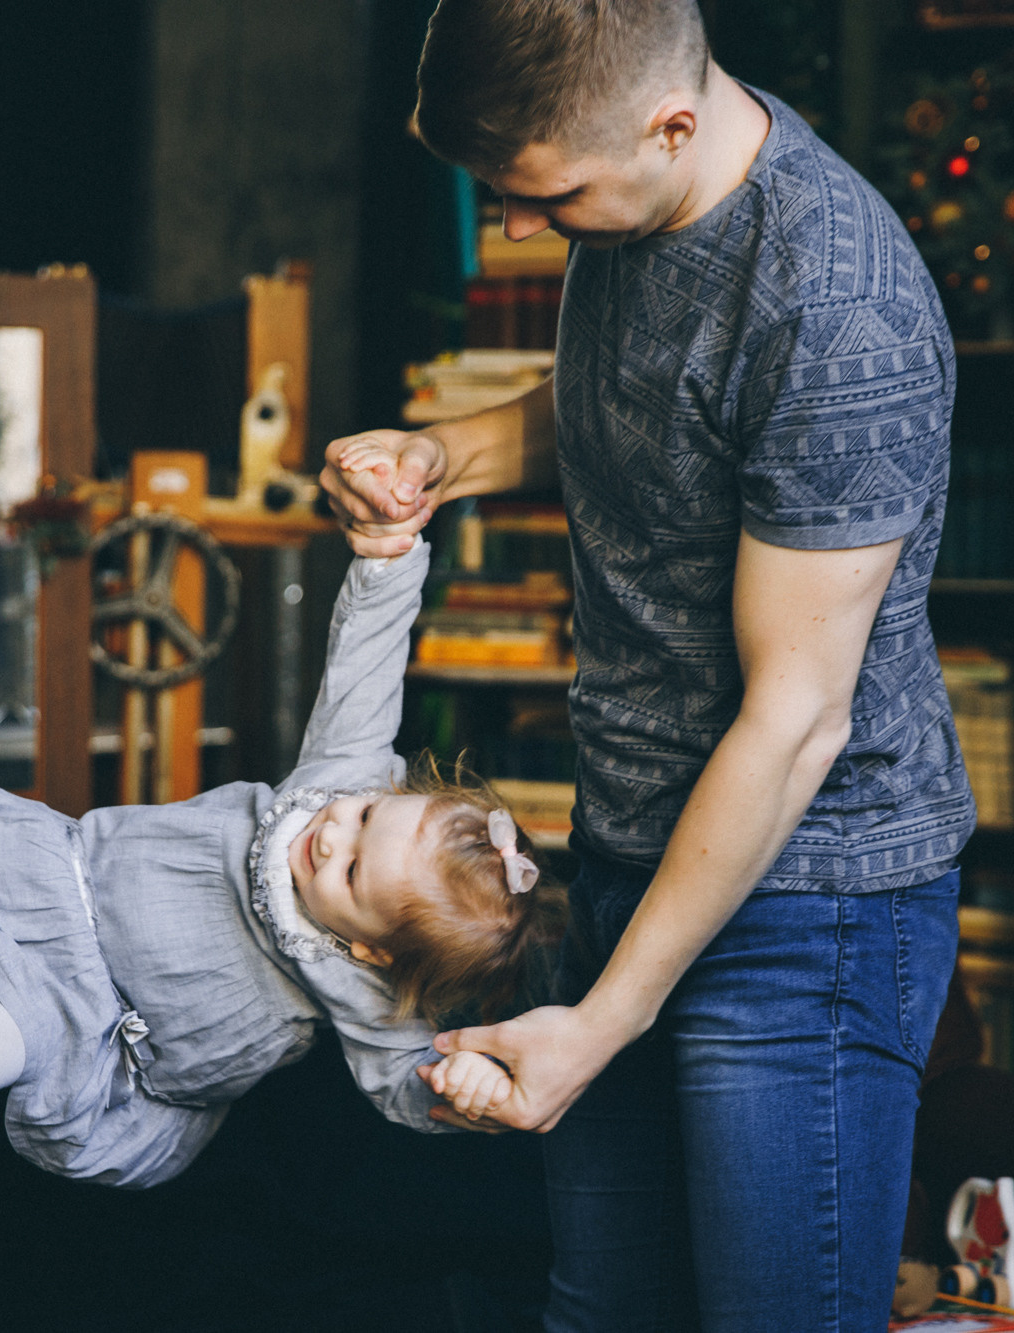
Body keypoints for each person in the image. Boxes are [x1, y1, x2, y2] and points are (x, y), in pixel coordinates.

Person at [320, 2, 969, 1330]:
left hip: (809, 898)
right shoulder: (638, 200)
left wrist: (600, 1020)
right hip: (631, 857)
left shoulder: (835, 305)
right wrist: (443, 456)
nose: (518, 228)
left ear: (670, 125)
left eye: (544, 195)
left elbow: (794, 720)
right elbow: (630, 407)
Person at [0, 526, 565, 1219]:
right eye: (365, 816)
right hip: (43, 873)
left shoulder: (365, 997)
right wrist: (392, 549)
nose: (333, 835)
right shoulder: (338, 783)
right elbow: (367, 663)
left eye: (355, 870)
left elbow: (406, 1081)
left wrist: (462, 1090)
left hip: (81, 1029)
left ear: (370, 950)